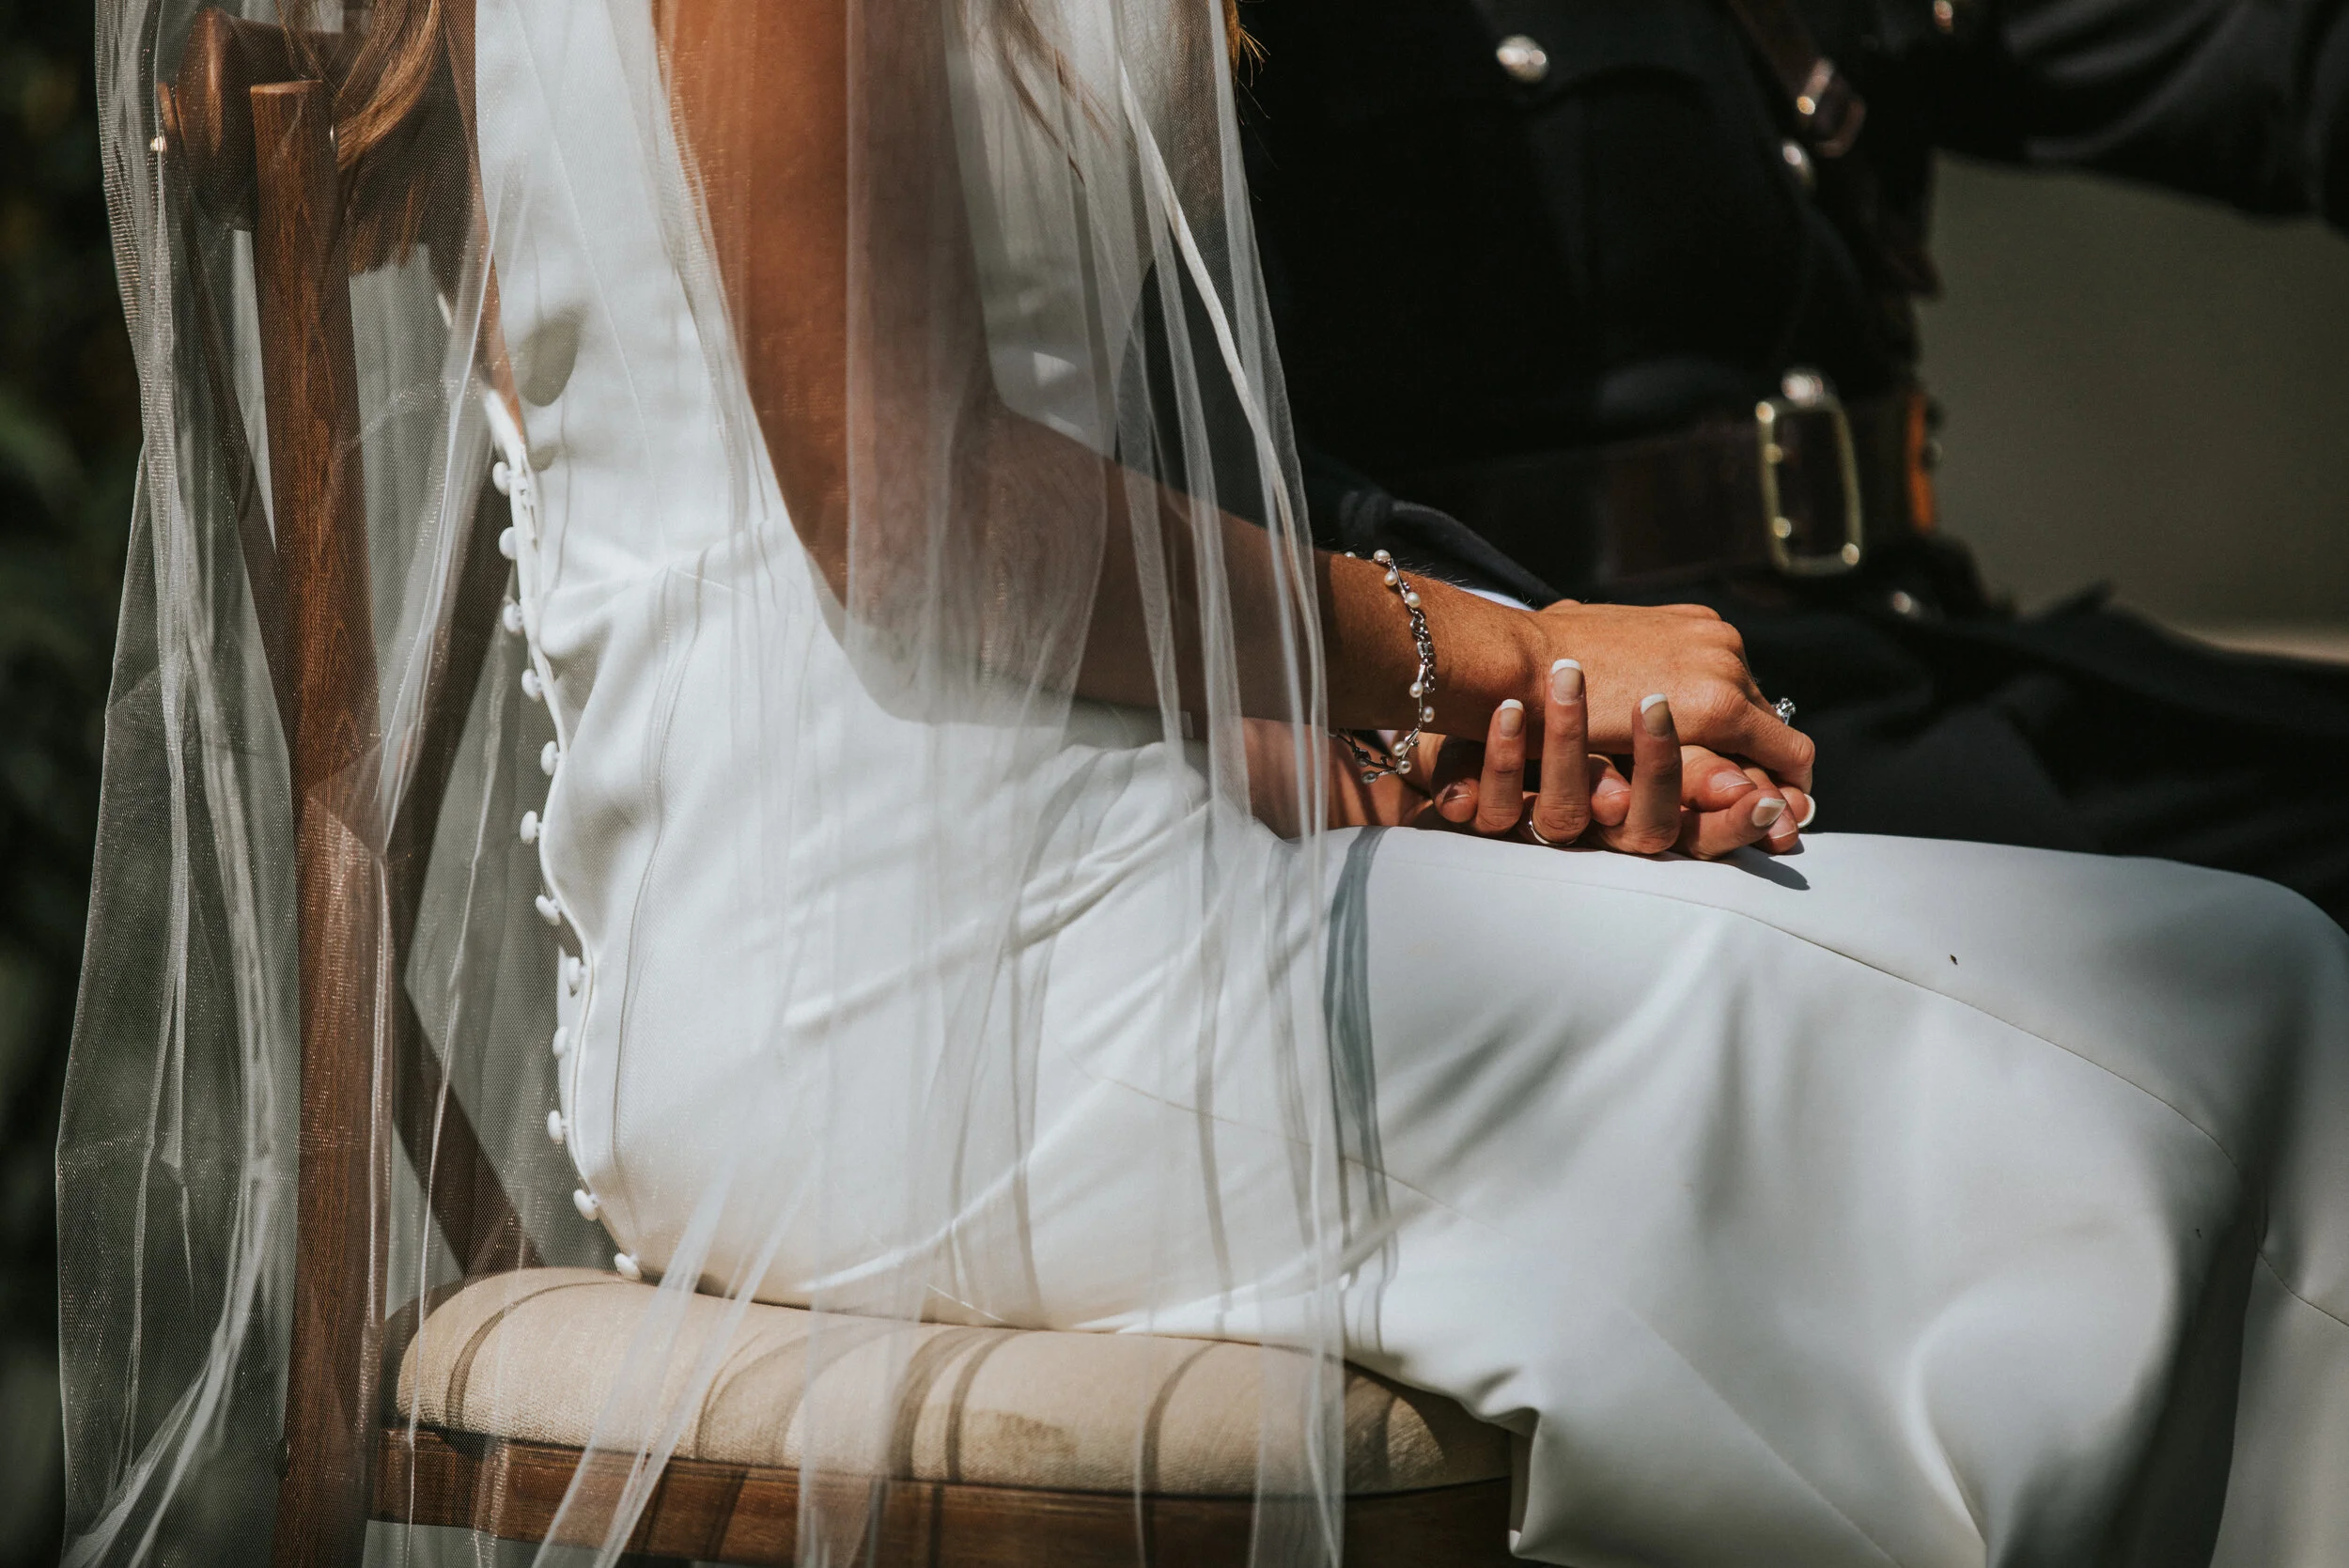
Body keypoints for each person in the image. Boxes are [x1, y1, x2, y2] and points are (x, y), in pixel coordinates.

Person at [61, 0, 2349, 1565]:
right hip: (950, 1001)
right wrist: (1497, 651)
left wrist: (1378, 743)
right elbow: (900, 506)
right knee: (2251, 1012)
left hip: (1009, 908)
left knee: (2211, 994)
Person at [1237, 0, 2349, 922]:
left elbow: (2265, 51)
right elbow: (1179, 433)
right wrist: (1467, 672)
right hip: (1614, 769)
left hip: (1917, 660)